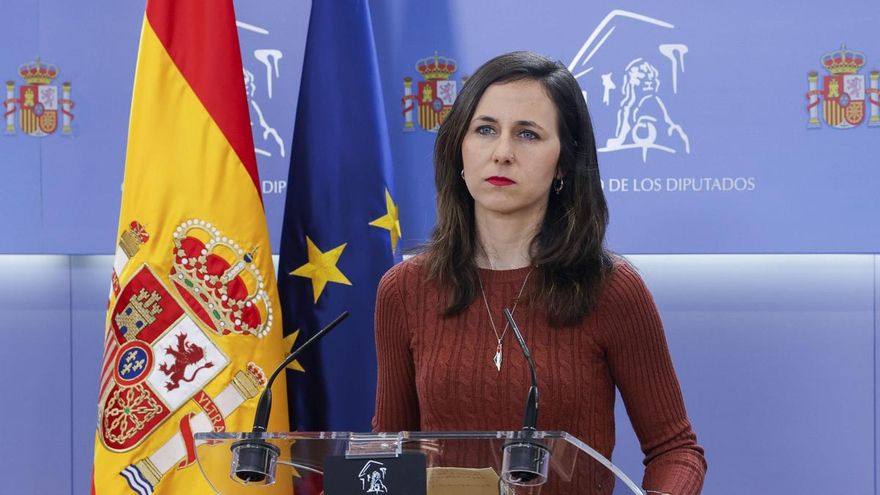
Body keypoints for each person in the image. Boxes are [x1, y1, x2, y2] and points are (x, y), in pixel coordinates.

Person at [372, 51, 706, 494]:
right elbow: (390, 448)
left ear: (564, 164)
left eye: (527, 134)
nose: (502, 153)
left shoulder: (610, 290)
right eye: (485, 130)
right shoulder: (405, 290)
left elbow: (675, 450)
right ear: (459, 149)